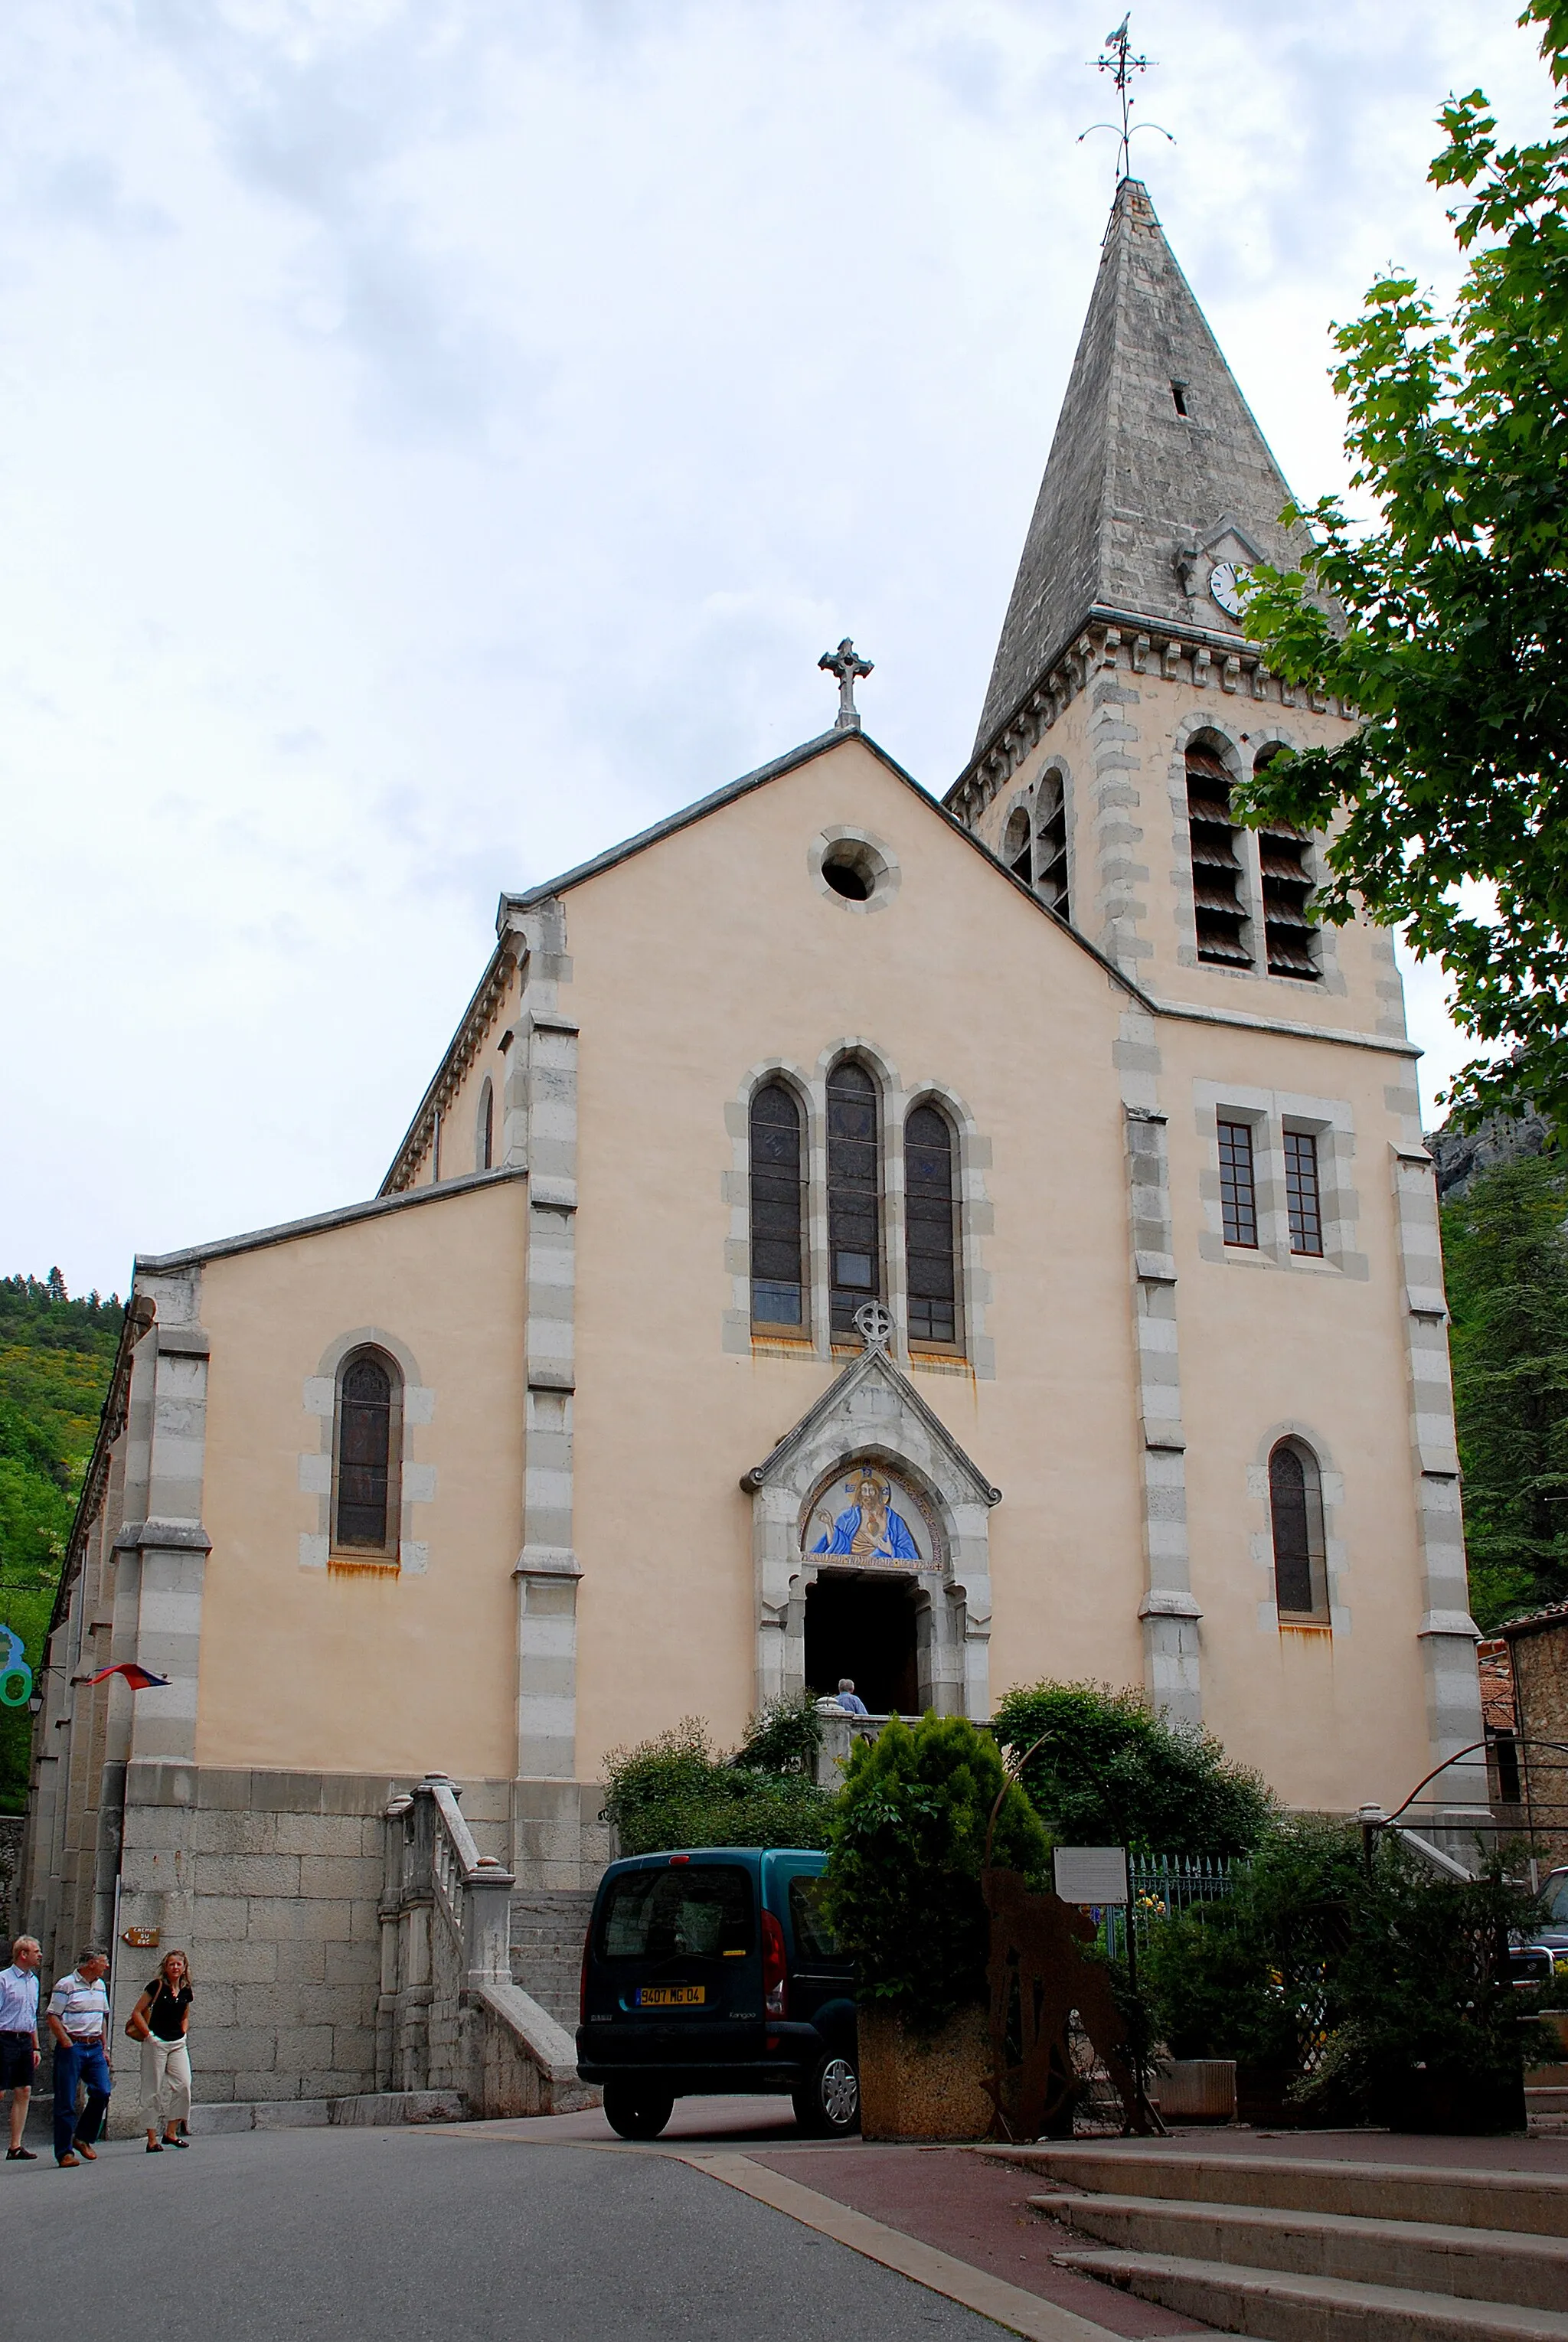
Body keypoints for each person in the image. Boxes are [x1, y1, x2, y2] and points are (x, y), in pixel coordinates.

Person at [46, 1946, 112, 2168]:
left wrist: (105, 2047)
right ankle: (64, 2152)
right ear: (91, 1963)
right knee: (65, 2100)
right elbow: (53, 2016)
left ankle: (83, 2136)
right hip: (73, 2044)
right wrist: (66, 2042)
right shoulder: (66, 1985)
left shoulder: (101, 1985)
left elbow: (102, 2017)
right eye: (104, 1961)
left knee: (102, 2091)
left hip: (94, 2046)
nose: (107, 1966)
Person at [128, 1950, 193, 2151]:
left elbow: (185, 2015)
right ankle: (151, 2138)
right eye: (171, 1964)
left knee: (184, 2086)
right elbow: (137, 2012)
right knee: (152, 2089)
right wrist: (149, 2035)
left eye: (179, 1965)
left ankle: (171, 2132)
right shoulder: (156, 1986)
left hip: (177, 2042)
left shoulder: (186, 1990)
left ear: (184, 1968)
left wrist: (184, 2031)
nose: (175, 1968)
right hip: (156, 2041)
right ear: (166, 1967)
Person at [1, 1934, 42, 2161]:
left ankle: (15, 2146)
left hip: (24, 2039)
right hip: (4, 2037)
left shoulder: (33, 1981)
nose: (40, 1955)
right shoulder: (3, 1980)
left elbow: (31, 2016)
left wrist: (35, 2047)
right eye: (36, 1951)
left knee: (24, 2090)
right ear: (23, 1954)